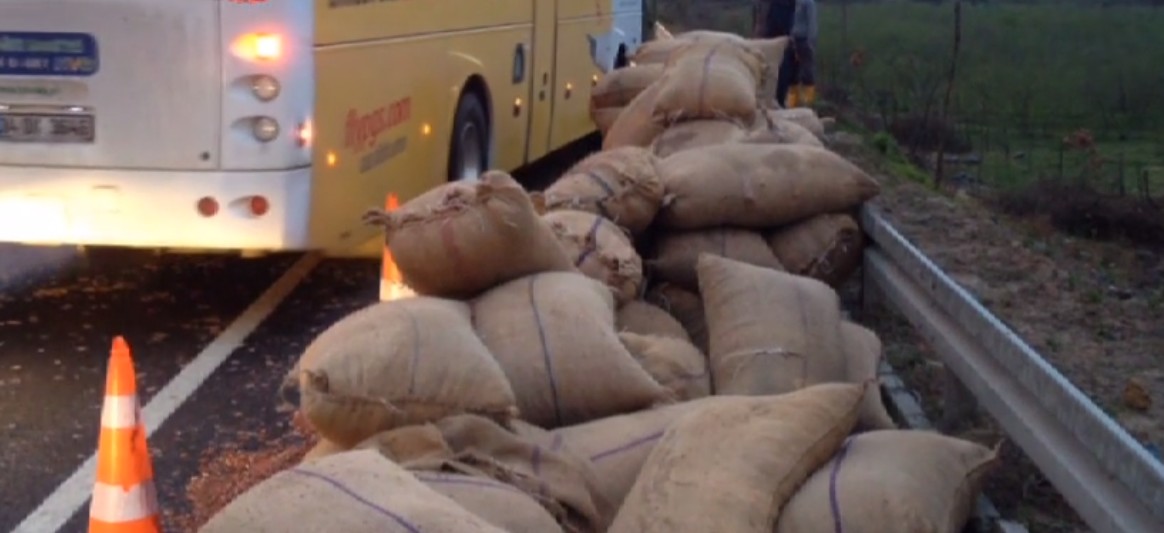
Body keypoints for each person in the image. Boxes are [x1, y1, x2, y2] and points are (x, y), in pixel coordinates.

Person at [754, 0, 817, 108]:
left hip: (799, 40)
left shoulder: (806, 3)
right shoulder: (787, 4)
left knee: (804, 72)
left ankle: (806, 102)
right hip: (787, 39)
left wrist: (810, 41)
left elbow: (812, 23)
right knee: (789, 73)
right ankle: (788, 102)